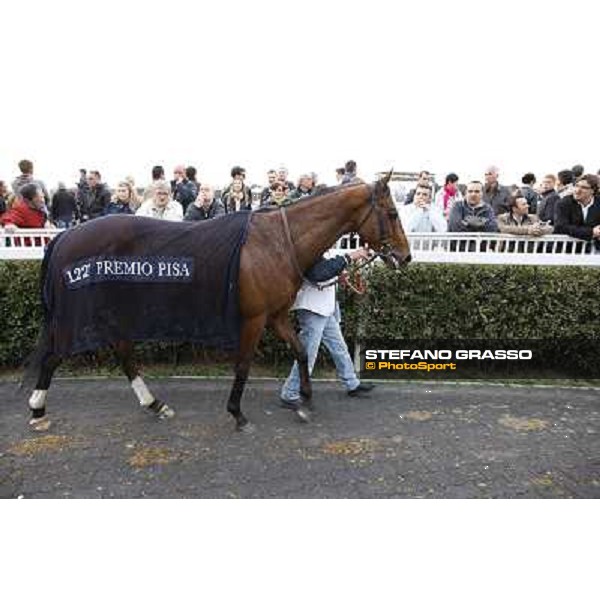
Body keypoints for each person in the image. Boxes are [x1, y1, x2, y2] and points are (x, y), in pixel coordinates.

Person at [280, 246, 375, 410]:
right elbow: (318, 275)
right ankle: (290, 393)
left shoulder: (325, 251)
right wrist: (351, 256)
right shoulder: (310, 250)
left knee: (339, 348)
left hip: (325, 309)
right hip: (312, 309)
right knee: (308, 355)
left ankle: (352, 384)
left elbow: (327, 273)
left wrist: (339, 278)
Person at [554, 174, 600, 249]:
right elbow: (561, 227)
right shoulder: (563, 203)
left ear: (593, 190)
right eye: (576, 186)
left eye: (584, 188)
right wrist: (591, 232)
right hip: (566, 250)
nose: (577, 190)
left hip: (594, 250)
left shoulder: (598, 203)